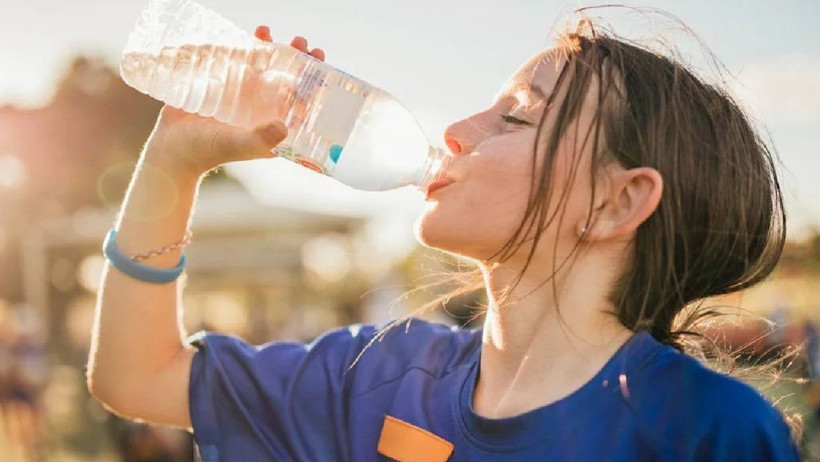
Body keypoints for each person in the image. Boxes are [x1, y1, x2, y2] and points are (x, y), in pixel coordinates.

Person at [86, 15, 802, 461]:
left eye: (514, 118)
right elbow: (135, 377)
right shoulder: (383, 374)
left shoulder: (709, 432)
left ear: (617, 202)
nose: (457, 130)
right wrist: (174, 163)